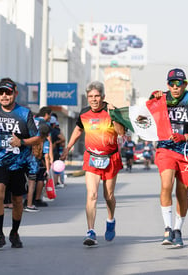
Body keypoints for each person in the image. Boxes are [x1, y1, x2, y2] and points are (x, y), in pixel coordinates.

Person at [60, 81, 126, 247]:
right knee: (92, 195)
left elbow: (121, 132)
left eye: (97, 96)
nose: (94, 99)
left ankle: (111, 219)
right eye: (90, 96)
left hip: (110, 158)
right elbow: (78, 130)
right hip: (92, 158)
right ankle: (90, 231)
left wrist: (114, 115)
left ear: (103, 97)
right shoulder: (84, 113)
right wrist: (68, 147)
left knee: (108, 196)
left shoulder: (112, 110)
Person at [0, 77, 41, 249]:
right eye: (1, 92)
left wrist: (22, 142)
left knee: (17, 200)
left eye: (8, 92)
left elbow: (37, 137)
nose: (5, 96)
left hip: (18, 163)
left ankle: (14, 232)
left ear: (15, 93)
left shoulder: (24, 113)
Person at [150, 68, 188, 248]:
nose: (175, 87)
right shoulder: (161, 99)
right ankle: (167, 227)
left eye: (179, 84)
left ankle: (177, 229)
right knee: (166, 184)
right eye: (172, 84)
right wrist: (152, 97)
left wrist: (186, 137)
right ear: (167, 85)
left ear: (185, 84)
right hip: (166, 149)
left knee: (182, 192)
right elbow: (145, 116)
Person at [50, 115, 66, 188]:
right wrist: (56, 143)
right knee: (55, 169)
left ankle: (50, 184)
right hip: (54, 152)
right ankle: (54, 184)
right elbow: (63, 139)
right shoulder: (55, 131)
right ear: (54, 124)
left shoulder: (45, 129)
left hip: (46, 152)